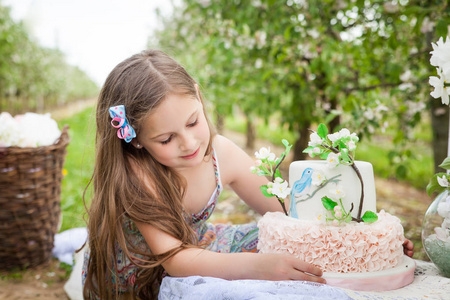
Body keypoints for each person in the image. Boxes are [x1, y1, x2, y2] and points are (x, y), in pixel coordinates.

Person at [82, 49, 414, 299]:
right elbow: (177, 261)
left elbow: (289, 215)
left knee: (276, 239)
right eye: (167, 139)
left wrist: (363, 241)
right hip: (145, 276)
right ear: (136, 140)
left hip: (200, 245)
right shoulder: (140, 174)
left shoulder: (221, 153)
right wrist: (260, 267)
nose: (189, 142)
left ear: (198, 97)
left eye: (193, 122)